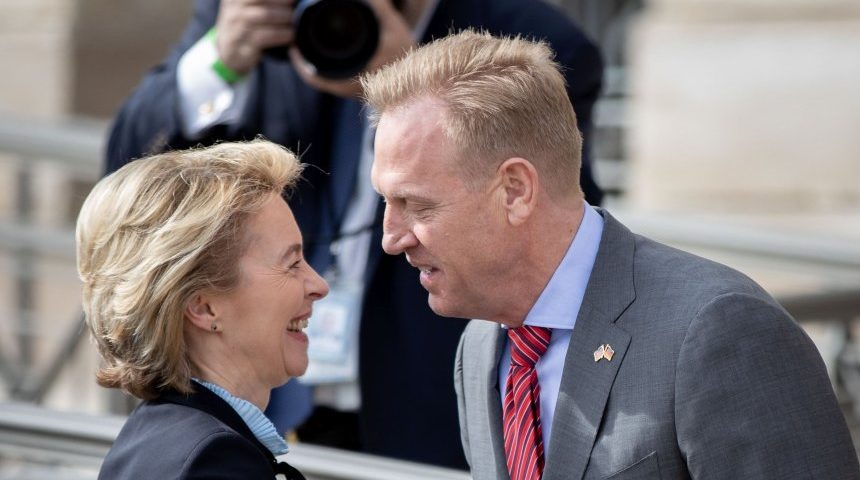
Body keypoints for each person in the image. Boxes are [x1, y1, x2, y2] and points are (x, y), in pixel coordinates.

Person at [104, 0, 603, 468]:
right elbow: (128, 175)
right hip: (270, 406)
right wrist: (218, 62)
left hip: (427, 416)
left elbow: (558, 217)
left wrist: (421, 96)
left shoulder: (530, 43)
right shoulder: (265, 12)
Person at [362, 30, 860, 479]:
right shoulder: (480, 346)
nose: (391, 238)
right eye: (386, 202)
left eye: (417, 205)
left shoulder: (719, 329)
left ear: (515, 190)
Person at [77, 140, 328, 479]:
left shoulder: (162, 440)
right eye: (292, 264)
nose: (319, 285)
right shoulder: (213, 461)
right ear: (204, 307)